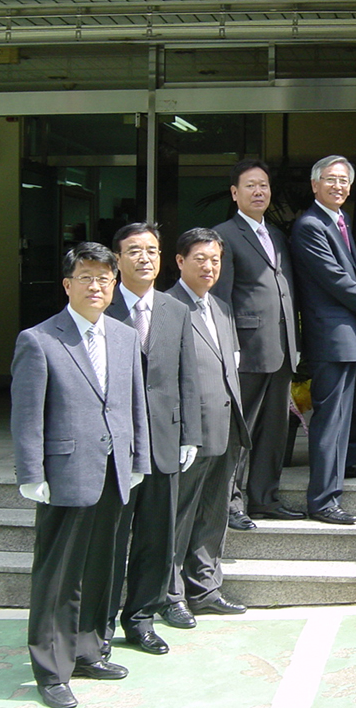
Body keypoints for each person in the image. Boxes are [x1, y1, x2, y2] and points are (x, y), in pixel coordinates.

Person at [11, 242, 150, 708]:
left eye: (104, 278)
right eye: (86, 277)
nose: (96, 286)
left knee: (103, 567)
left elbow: (135, 405)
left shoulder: (124, 336)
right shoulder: (39, 339)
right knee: (58, 575)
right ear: (67, 285)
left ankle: (91, 649)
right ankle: (52, 669)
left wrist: (138, 460)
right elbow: (27, 414)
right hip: (65, 473)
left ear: (115, 286)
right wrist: (32, 472)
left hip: (114, 471)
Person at [105, 222, 201, 656]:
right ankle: (101, 619)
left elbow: (188, 377)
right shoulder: (99, 309)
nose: (144, 258)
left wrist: (190, 436)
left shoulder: (175, 310)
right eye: (133, 250)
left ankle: (141, 617)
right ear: (117, 259)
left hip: (164, 442)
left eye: (151, 250)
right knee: (109, 537)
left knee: (155, 538)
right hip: (115, 447)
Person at [290, 155, 356, 524]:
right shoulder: (309, 225)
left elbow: (350, 272)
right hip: (332, 335)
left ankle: (344, 463)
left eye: (344, 181)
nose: (338, 186)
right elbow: (331, 277)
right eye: (331, 179)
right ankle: (322, 501)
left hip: (354, 331)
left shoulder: (340, 219)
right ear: (315, 185)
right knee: (331, 419)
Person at [162, 228, 252, 629]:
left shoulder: (221, 307)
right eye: (200, 258)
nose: (209, 266)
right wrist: (182, 433)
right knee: (178, 518)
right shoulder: (166, 307)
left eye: (215, 259)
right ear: (180, 261)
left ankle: (205, 589)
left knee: (214, 515)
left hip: (227, 430)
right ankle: (170, 595)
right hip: (190, 436)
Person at [213, 159, 302, 528]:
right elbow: (220, 297)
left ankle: (264, 497)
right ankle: (230, 502)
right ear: (235, 193)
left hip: (281, 348)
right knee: (240, 429)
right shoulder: (223, 235)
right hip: (246, 350)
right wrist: (228, 345)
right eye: (250, 185)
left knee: (274, 428)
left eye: (263, 185)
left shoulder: (278, 235)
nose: (258, 192)